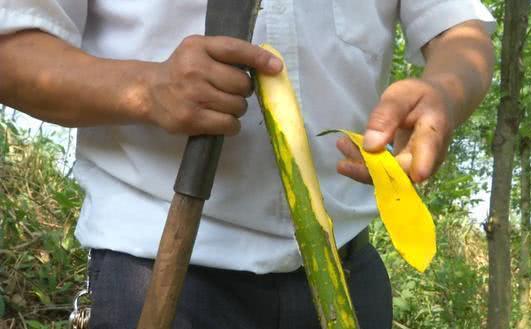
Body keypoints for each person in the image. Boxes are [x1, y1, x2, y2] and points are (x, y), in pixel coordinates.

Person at [0, 1, 495, 328]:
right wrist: (146, 88)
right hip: (156, 271)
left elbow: (459, 30)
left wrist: (444, 94)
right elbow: (12, 49)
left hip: (347, 270)